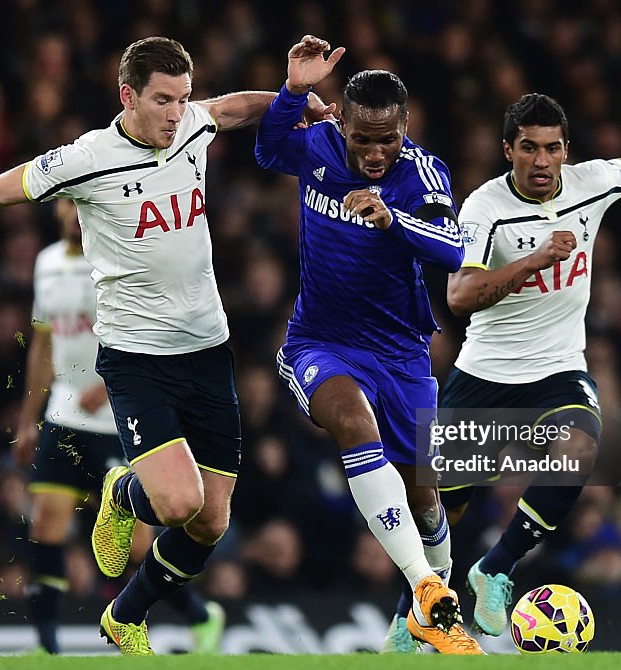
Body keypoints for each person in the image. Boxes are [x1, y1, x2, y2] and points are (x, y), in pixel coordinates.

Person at [0, 36, 331, 656]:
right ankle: (126, 493)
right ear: (128, 97)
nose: (177, 114)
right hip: (137, 357)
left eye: (182, 99)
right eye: (163, 101)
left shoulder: (193, 124)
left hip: (208, 349)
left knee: (213, 521)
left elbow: (234, 110)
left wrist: (292, 93)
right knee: (176, 504)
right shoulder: (87, 158)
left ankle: (126, 615)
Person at [434, 93, 621, 638]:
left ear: (566, 151)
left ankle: (497, 568)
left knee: (582, 446)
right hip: (485, 374)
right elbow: (459, 294)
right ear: (508, 150)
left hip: (558, 368)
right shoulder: (484, 207)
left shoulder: (590, 182)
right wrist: (534, 260)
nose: (542, 161)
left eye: (552, 148)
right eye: (529, 148)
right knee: (440, 516)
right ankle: (416, 613)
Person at [255, 36, 483, 655]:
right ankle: (428, 592)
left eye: (387, 139)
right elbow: (267, 145)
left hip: (402, 350)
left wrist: (391, 218)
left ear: (403, 127)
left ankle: (427, 617)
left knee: (424, 495)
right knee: (354, 423)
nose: (375, 152)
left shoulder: (421, 172)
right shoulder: (319, 146)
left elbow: (453, 248)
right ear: (345, 125)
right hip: (320, 341)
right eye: (364, 138)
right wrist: (294, 91)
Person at [14, 198, 224, 654]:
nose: (72, 214)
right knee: (46, 524)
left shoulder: (115, 256)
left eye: (78, 205)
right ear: (56, 211)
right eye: (65, 205)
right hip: (63, 413)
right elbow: (42, 342)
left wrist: (109, 381)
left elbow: (145, 328)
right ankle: (47, 649)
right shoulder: (46, 262)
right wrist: (28, 417)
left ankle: (200, 615)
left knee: (133, 548)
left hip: (119, 418)